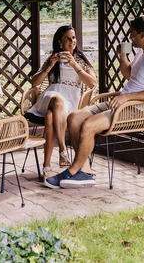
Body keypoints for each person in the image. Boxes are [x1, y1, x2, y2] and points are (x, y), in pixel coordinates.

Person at [43, 16, 144, 188]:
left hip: (137, 110)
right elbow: (128, 75)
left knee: (88, 125)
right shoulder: (142, 52)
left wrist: (126, 97)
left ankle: (72, 171)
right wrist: (122, 56)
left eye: (132, 34)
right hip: (119, 104)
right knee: (74, 118)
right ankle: (85, 172)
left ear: (143, 34)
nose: (130, 38)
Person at [24, 25, 97, 179]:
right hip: (50, 97)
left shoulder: (81, 59)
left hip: (70, 102)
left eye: (74, 37)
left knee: (51, 117)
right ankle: (63, 150)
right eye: (67, 38)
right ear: (60, 42)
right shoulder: (52, 59)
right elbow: (35, 83)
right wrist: (50, 65)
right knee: (57, 100)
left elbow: (92, 83)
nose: (72, 41)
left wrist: (74, 64)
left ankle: (46, 168)